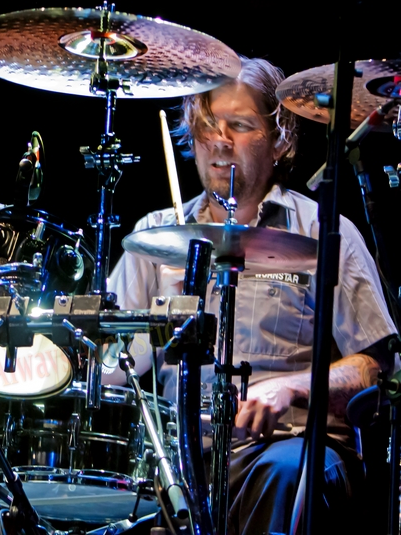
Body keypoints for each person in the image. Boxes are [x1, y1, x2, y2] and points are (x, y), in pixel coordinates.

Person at [106, 56, 399, 535]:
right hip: (184, 461)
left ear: (280, 139)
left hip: (288, 448)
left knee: (282, 475)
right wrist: (155, 320)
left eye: (240, 126)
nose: (219, 140)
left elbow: (379, 366)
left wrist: (290, 388)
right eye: (207, 126)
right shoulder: (156, 236)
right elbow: (110, 366)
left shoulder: (323, 231)